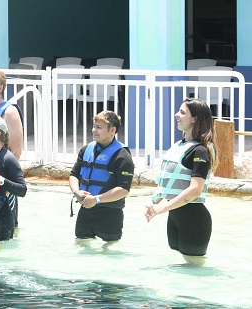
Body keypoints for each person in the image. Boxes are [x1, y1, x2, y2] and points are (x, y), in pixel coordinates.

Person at [145, 98, 218, 263]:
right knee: (183, 270)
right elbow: (169, 180)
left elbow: (195, 189)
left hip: (194, 219)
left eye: (182, 112)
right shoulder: (179, 145)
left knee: (195, 269)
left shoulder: (200, 151)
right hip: (176, 216)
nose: (177, 115)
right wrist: (155, 203)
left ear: (195, 119)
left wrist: (164, 207)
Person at [68, 110, 135, 242]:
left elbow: (123, 189)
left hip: (110, 213)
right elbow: (73, 175)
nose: (94, 130)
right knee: (81, 246)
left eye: (99, 127)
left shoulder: (122, 156)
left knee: (109, 252)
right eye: (94, 126)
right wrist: (76, 192)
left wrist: (96, 200)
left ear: (112, 130)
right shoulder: (86, 149)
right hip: (86, 210)